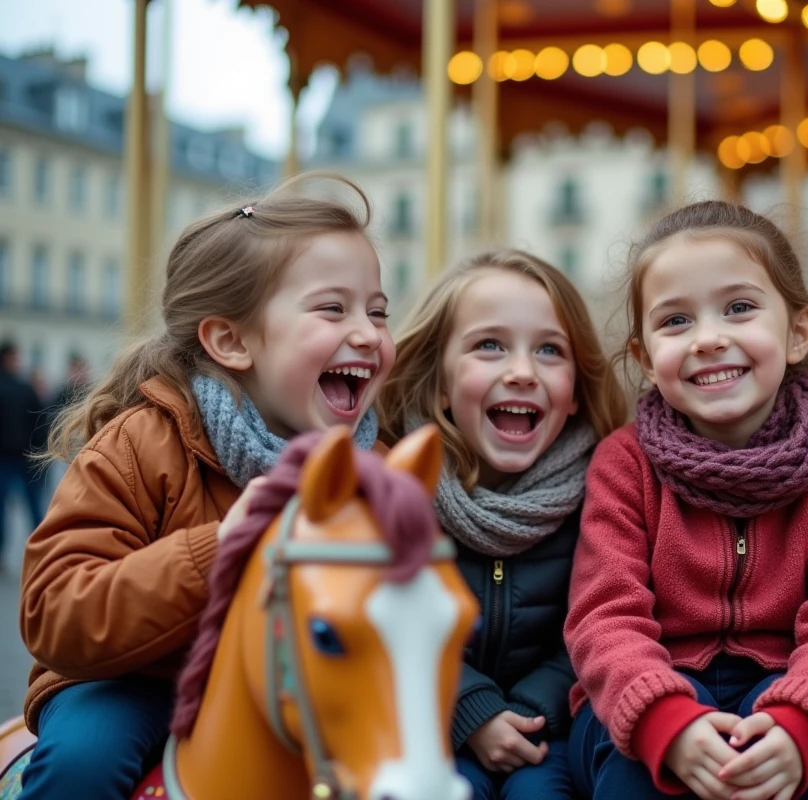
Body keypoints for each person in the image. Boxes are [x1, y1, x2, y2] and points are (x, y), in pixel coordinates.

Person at [18, 172, 396, 800]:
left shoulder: (377, 468)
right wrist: (219, 547)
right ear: (231, 340)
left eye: (378, 311)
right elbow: (56, 610)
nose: (367, 332)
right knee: (82, 764)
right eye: (334, 308)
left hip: (299, 686)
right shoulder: (144, 442)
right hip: (137, 679)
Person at [565, 201, 808, 800]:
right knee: (638, 769)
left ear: (797, 332)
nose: (709, 338)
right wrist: (663, 718)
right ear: (647, 358)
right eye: (675, 322)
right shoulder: (625, 465)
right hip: (641, 699)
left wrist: (800, 721)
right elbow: (605, 613)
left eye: (739, 308)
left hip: (793, 688)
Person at [380, 250, 627, 800]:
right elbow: (386, 624)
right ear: (439, 381)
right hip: (428, 726)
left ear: (576, 391)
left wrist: (528, 712)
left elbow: (600, 620)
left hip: (549, 730)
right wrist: (471, 711)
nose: (521, 371)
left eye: (549, 350)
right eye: (489, 346)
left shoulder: (604, 493)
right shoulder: (395, 488)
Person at [0, 341, 45, 572]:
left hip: (12, 458)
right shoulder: (25, 387)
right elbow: (39, 422)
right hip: (22, 457)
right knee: (33, 505)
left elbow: (38, 422)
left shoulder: (22, 386)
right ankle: (43, 551)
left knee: (21, 506)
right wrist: (39, 452)